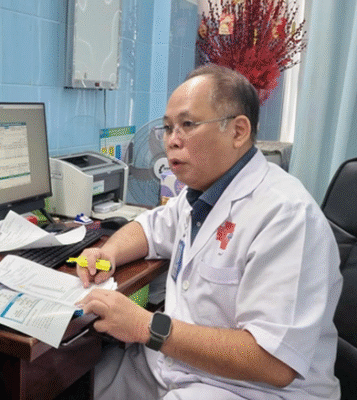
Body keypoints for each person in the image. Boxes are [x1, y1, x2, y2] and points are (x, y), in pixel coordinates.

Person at [76, 64, 343, 399]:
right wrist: (108, 252)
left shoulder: (287, 215)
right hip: (173, 365)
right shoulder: (199, 195)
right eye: (167, 128)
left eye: (187, 125)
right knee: (67, 378)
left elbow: (274, 363)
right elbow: (148, 228)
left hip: (248, 389)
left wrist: (147, 326)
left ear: (238, 131)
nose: (172, 141)